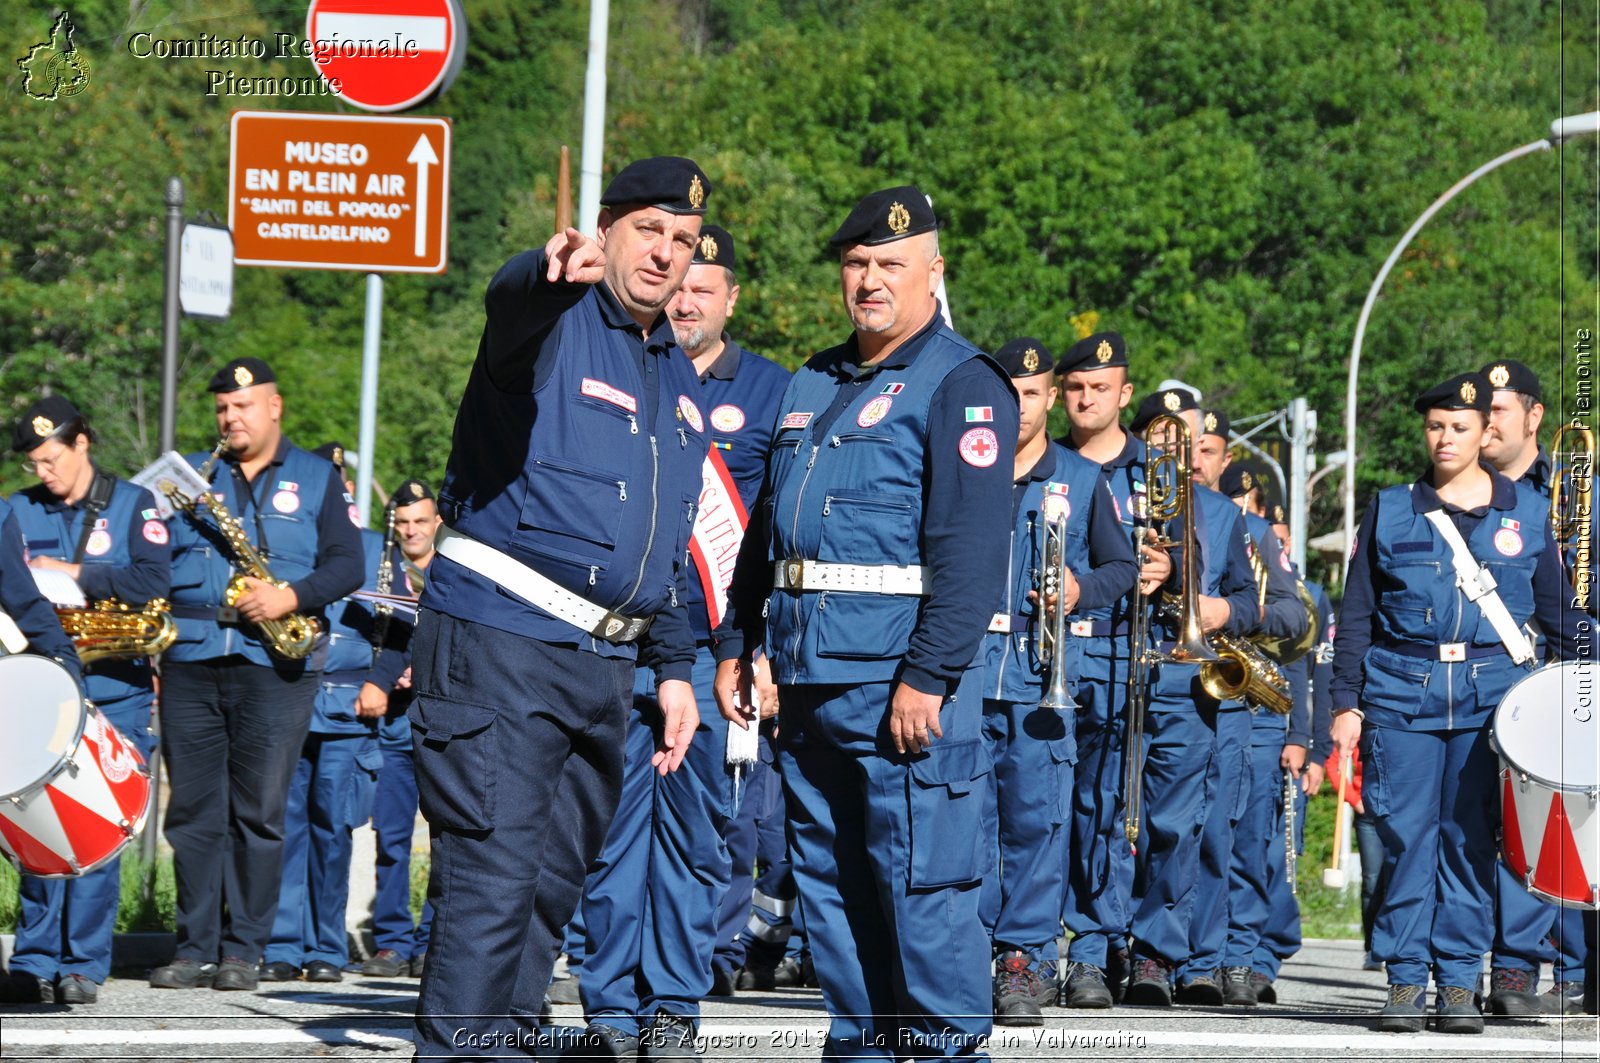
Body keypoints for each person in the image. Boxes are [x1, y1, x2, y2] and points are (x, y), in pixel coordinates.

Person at [409, 157, 712, 1056]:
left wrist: (677, 666)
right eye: (648, 229)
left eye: (684, 241)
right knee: (490, 882)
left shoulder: (678, 380)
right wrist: (544, 272)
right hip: (504, 643)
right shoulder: (549, 322)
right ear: (606, 229)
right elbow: (511, 300)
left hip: (604, 668)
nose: (665, 253)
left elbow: (672, 541)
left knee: (547, 889)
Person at [715, 186, 1017, 1059]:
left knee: (923, 896)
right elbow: (766, 527)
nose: (870, 280)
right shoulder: (814, 377)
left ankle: (944, 1050)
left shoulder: (963, 382)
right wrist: (740, 640)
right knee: (836, 895)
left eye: (890, 263)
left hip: (900, 688)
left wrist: (929, 672)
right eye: (856, 264)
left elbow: (968, 551)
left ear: (933, 272)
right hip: (809, 686)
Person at [577, 224, 788, 1059]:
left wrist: (758, 645)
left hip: (712, 653)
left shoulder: (772, 391)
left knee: (697, 840)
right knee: (610, 833)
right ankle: (609, 1007)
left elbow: (774, 532)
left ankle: (672, 1003)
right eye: (680, 283)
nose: (689, 296)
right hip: (614, 641)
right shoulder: (623, 365)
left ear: (731, 299)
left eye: (708, 286)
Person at [1329, 371, 1592, 1034]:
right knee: (1404, 839)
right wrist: (1344, 703)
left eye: (1460, 427)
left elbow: (1562, 618)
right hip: (1400, 699)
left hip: (1491, 707)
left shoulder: (1527, 514)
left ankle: (1456, 982)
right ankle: (1406, 979)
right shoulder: (1390, 508)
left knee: (1472, 844)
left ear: (1485, 433)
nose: (1445, 438)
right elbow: (1356, 615)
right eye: (1435, 426)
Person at [148, 357, 364, 992]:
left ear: (274, 408)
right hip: (190, 657)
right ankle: (194, 948)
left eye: (241, 407)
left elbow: (348, 564)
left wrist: (289, 598)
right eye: (221, 409)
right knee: (191, 811)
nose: (229, 417)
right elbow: (150, 559)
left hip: (274, 662)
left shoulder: (317, 477)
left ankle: (243, 949)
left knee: (260, 812)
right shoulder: (190, 478)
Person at [977, 337, 1135, 1025]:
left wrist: (1078, 587)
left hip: (1043, 676)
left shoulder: (1082, 476)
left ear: (1050, 399)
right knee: (968, 822)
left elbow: (1121, 567)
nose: (1019, 408)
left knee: (1038, 824)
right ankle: (963, 953)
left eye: (1033, 394)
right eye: (1007, 395)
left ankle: (1023, 960)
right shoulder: (964, 466)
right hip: (965, 672)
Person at [2, 396, 166, 1006]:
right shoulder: (16, 510)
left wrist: (71, 574)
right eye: (34, 463)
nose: (43, 472)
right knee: (34, 824)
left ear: (82, 444)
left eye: (51, 459)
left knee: (98, 822)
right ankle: (33, 958)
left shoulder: (133, 506)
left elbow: (155, 582)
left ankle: (82, 965)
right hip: (38, 687)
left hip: (114, 688)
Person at [1120, 388, 1261, 1007]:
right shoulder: (1118, 499)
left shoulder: (1223, 515)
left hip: (1189, 678)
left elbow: (1258, 606)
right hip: (1120, 664)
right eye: (1161, 439)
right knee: (1110, 818)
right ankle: (1106, 947)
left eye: (1187, 442)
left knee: (1180, 826)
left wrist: (1217, 607)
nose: (1178, 453)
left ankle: (1161, 954)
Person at [1054, 332, 1170, 1009]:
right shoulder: (1044, 462)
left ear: (1125, 394)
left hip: (1124, 651)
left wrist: (1171, 568)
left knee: (1105, 810)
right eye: (1076, 387)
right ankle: (1034, 946)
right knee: (1038, 813)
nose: (1086, 397)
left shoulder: (1153, 470)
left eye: (1101, 387)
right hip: (1050, 651)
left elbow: (1195, 555)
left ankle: (1094, 948)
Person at [1177, 411, 1309, 1006]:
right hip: (1176, 699)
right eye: (1187, 448)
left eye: (1207, 451)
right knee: (1184, 835)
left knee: (1244, 837)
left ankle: (1242, 956)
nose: (1195, 461)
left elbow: (1297, 619)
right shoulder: (1150, 521)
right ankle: (1182, 956)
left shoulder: (1252, 531)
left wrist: (1231, 615)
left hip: (1246, 703)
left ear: (1224, 460)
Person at [263, 444, 406, 984]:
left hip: (348, 709)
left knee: (332, 829)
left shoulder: (375, 549)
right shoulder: (286, 543)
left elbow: (398, 629)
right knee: (287, 825)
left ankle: (325, 946)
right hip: (288, 696)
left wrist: (379, 679)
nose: (338, 492)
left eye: (342, 483)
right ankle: (281, 944)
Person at [1476, 359, 1592, 1016]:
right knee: (1491, 826)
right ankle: (1507, 964)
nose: (1487, 422)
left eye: (1499, 409)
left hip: (1564, 677)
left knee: (1564, 825)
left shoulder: (1579, 491)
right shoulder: (1459, 494)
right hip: (1491, 677)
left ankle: (1568, 967)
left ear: (1533, 416)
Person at [1223, 504, 1329, 1004]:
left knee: (1267, 848)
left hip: (1276, 721)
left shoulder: (1308, 594)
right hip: (1227, 706)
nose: (1275, 551)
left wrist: (1307, 741)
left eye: (1281, 540)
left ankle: (1264, 954)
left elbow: (1312, 671)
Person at [361, 478, 440, 980]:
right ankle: (391, 941)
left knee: (446, 842)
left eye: (420, 522)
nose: (411, 531)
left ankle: (433, 940)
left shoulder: (459, 573)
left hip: (442, 725)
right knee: (391, 838)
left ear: (437, 523)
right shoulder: (387, 574)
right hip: (395, 723)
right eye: (403, 523)